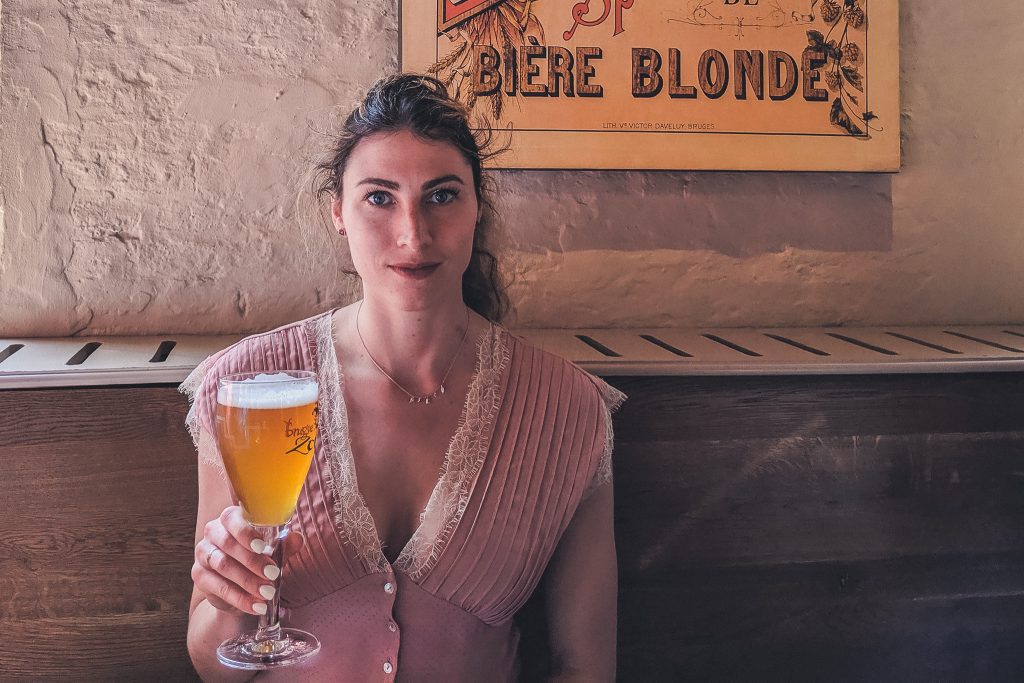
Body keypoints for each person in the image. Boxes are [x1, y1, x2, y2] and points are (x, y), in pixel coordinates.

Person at [181, 73, 625, 682]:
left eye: (442, 196)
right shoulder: (244, 387)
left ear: (476, 208)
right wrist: (229, 600)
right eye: (379, 197)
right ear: (337, 212)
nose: (413, 234)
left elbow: (586, 667)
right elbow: (213, 666)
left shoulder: (568, 410)